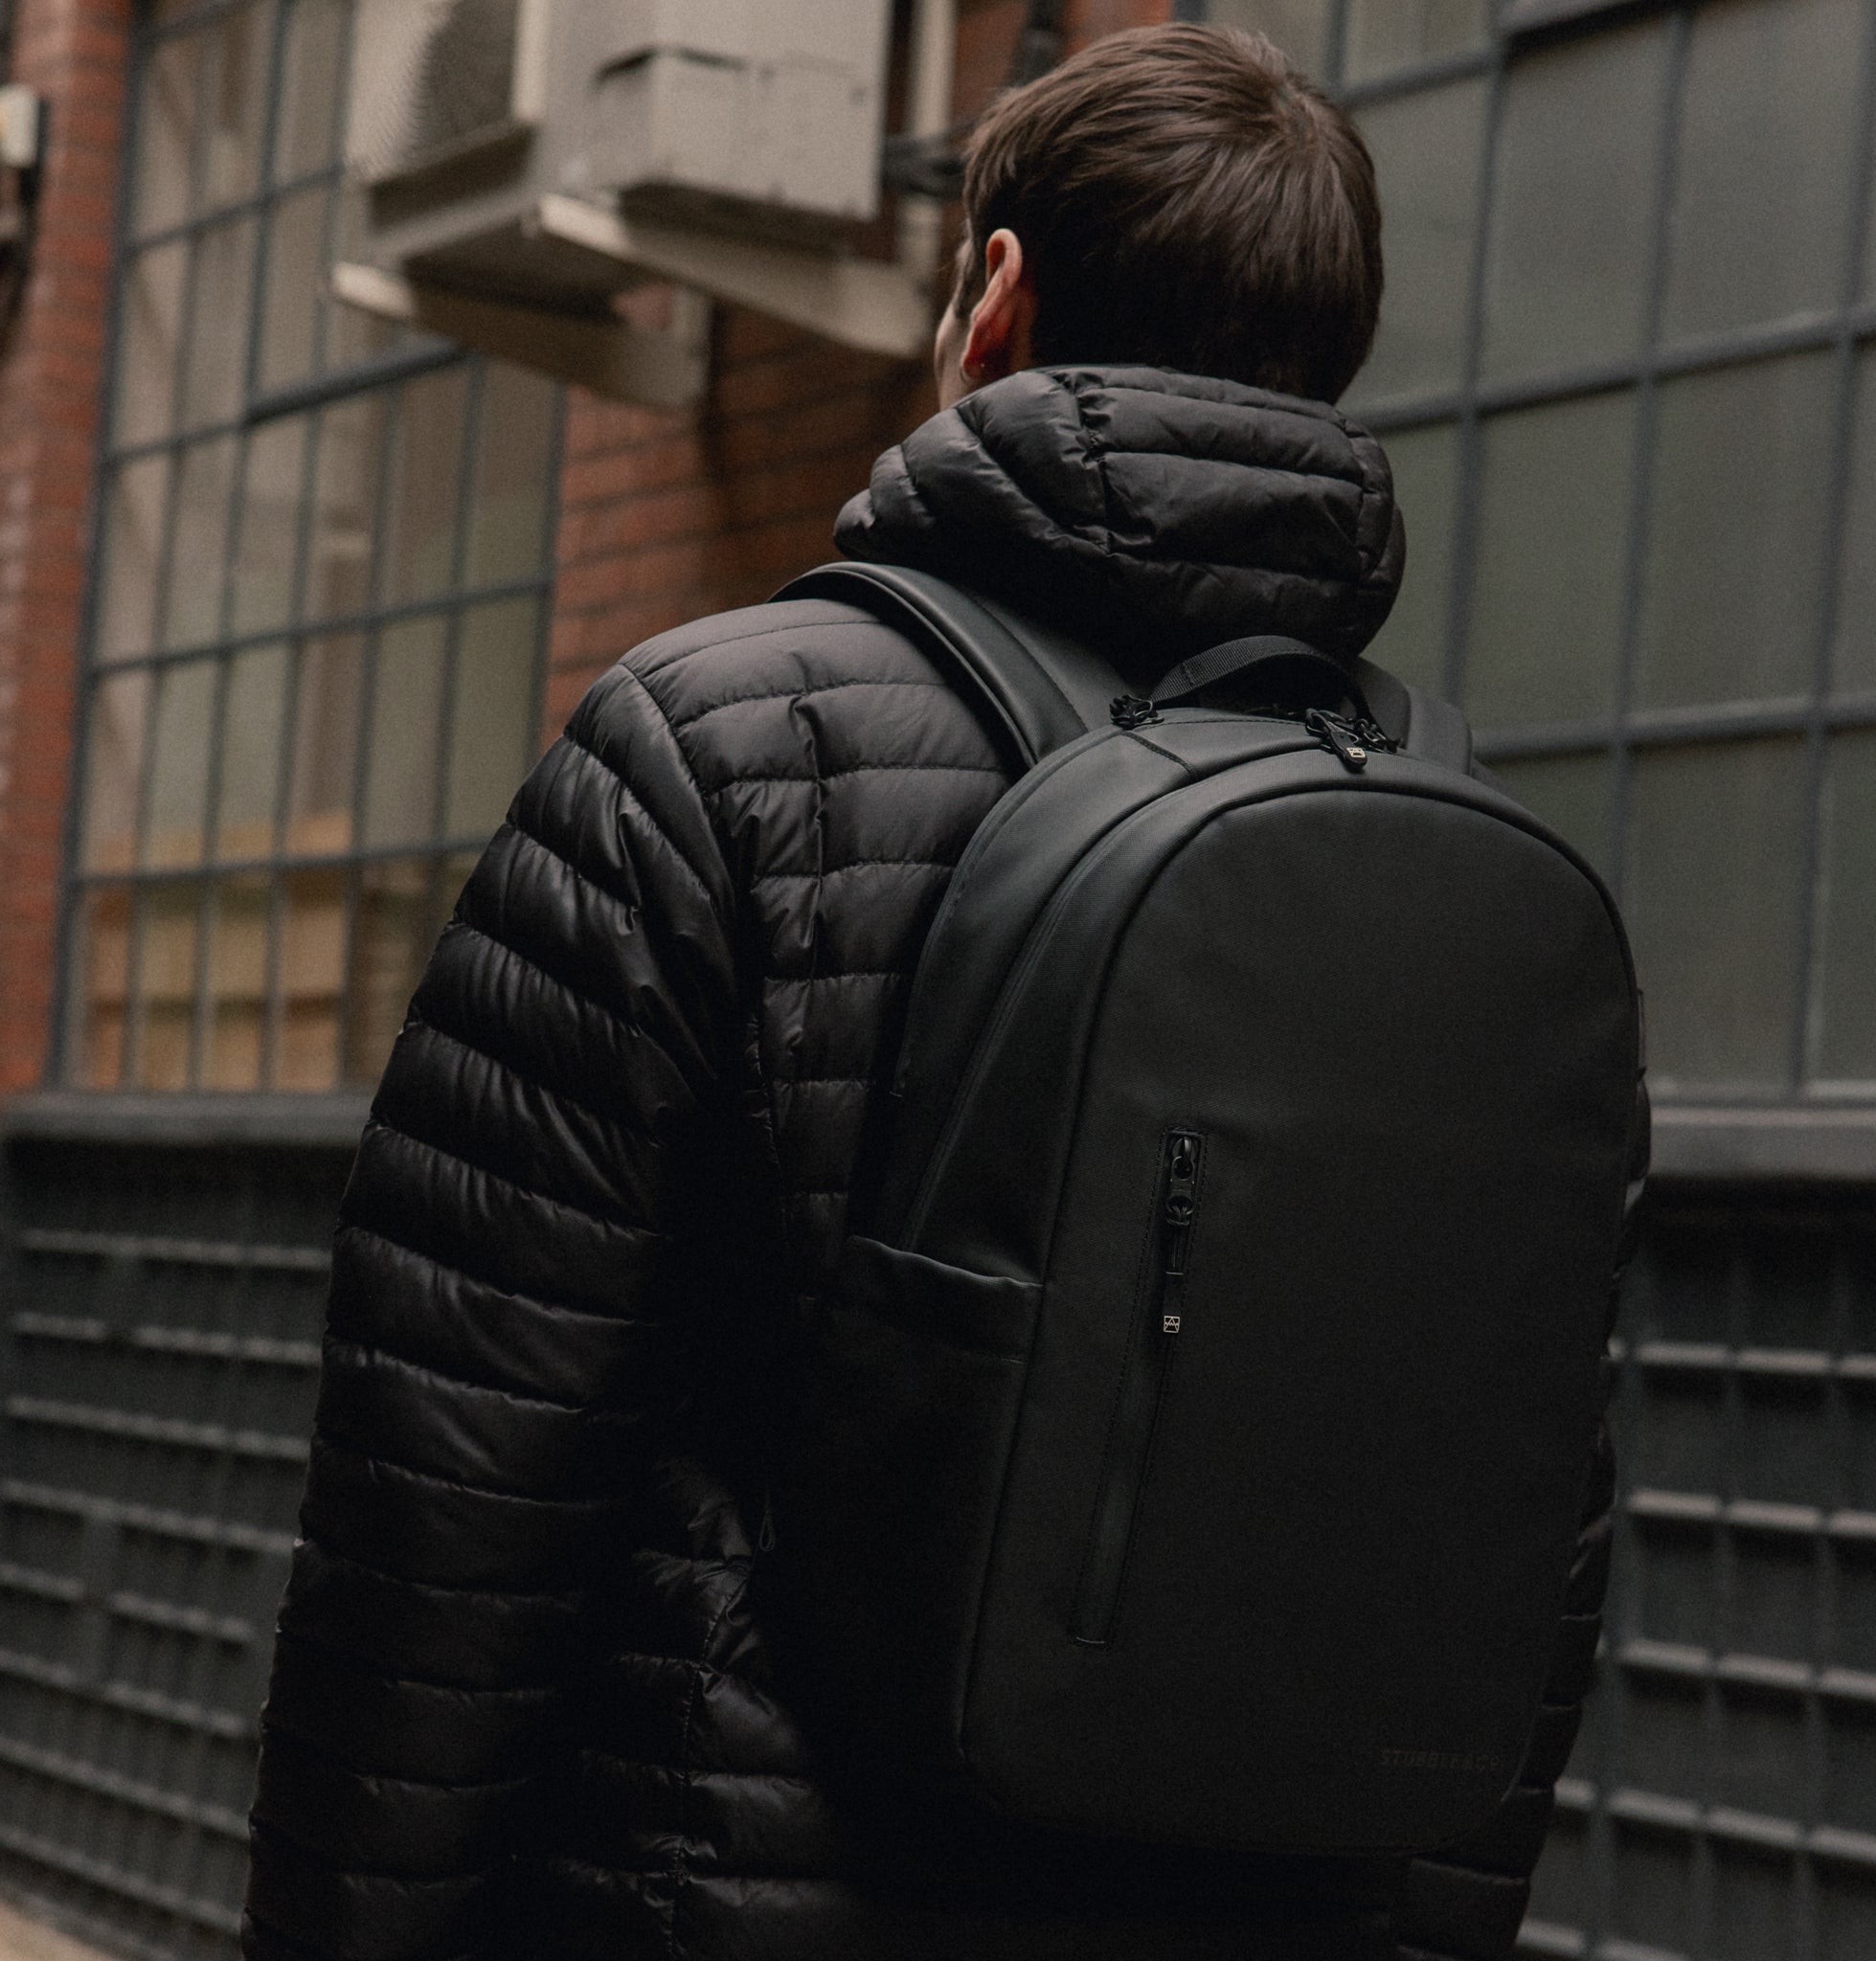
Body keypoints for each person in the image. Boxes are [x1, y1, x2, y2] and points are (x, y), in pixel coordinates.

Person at [242, 24, 1616, 1961]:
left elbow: (450, 1486)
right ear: (1326, 363)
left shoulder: (705, 751)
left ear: (993, 296)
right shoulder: (1465, 869)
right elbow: (1521, 1561)